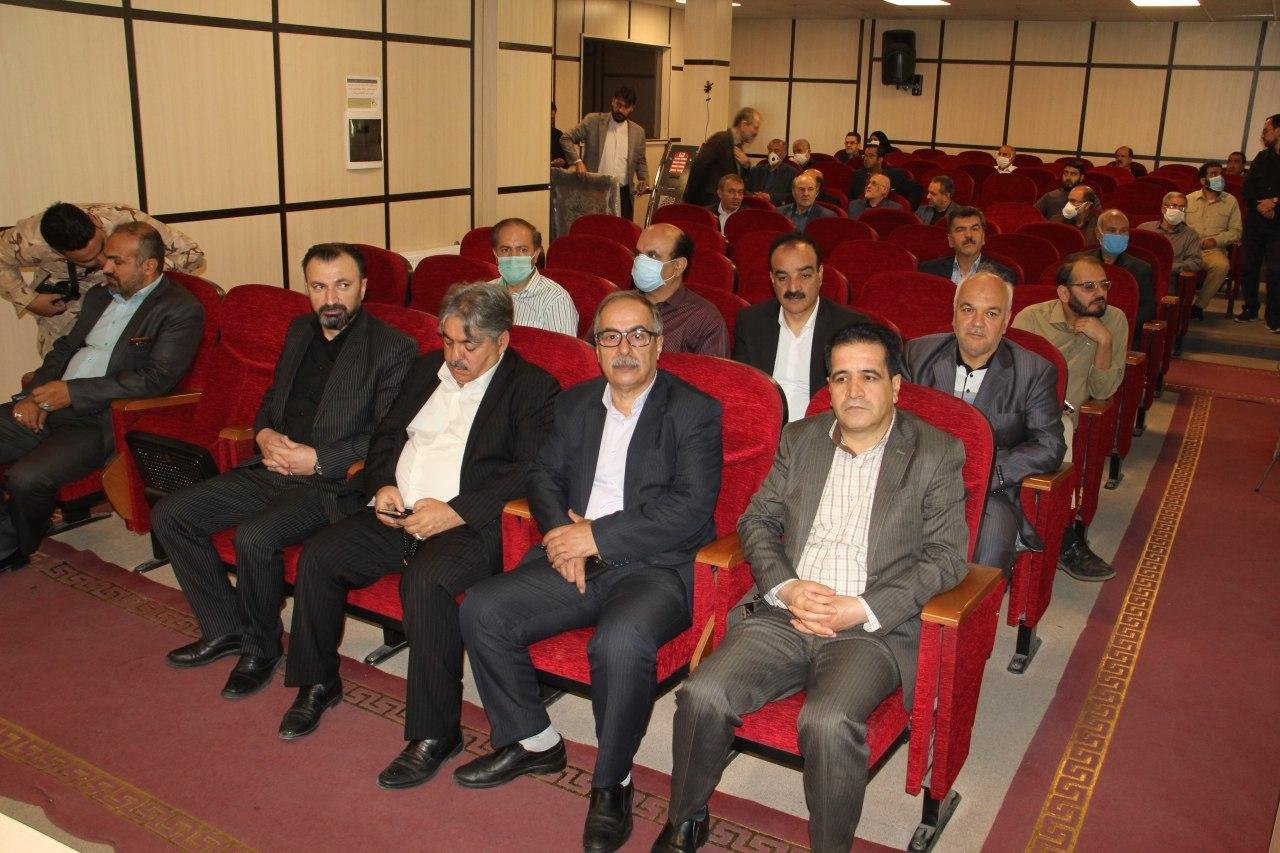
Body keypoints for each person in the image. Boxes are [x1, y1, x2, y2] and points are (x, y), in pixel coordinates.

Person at [652, 321, 968, 853]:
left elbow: (947, 557)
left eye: (869, 377)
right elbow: (756, 520)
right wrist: (786, 586)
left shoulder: (935, 452)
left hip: (870, 628)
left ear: (896, 386)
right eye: (841, 378)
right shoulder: (801, 439)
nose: (854, 391)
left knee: (827, 720)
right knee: (702, 693)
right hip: (785, 612)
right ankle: (686, 818)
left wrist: (861, 607)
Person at [455, 290, 723, 853]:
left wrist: (596, 536)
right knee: (483, 608)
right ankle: (532, 739)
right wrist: (562, 537)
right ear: (595, 346)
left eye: (637, 335)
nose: (624, 348)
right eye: (610, 336)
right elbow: (543, 475)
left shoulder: (693, 410)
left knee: (619, 643)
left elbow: (690, 509)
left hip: (656, 568)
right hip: (574, 556)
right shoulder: (575, 403)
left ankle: (612, 783)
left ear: (658, 344)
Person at [279, 283, 559, 789]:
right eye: (448, 341)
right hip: (398, 511)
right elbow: (386, 435)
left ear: (502, 340)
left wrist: (455, 512)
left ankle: (436, 733)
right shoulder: (424, 369)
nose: (455, 356)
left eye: (469, 344)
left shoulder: (532, 387)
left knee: (425, 583)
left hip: (469, 526)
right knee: (321, 555)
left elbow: (529, 470)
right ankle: (317, 683)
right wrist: (382, 484)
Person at [153, 243, 416, 697]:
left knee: (254, 537)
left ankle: (261, 648)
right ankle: (225, 628)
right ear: (306, 288)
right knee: (171, 515)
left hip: (329, 485)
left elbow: (388, 435)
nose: (330, 298)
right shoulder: (298, 331)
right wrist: (263, 435)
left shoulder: (392, 347)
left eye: (342, 285)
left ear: (363, 287)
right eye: (318, 286)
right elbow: (272, 398)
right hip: (271, 466)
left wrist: (318, 459)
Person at [0, 222, 204, 571]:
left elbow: (155, 379)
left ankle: (10, 546)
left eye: (116, 261)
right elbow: (64, 349)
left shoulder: (179, 309)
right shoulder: (99, 296)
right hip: (52, 400)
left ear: (148, 266)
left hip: (101, 419)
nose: (104, 267)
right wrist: (33, 396)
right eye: (106, 258)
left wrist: (72, 393)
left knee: (26, 478)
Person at [905, 273, 1066, 573]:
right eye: (968, 309)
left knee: (988, 548)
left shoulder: (1033, 372)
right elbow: (893, 423)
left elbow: (1049, 445)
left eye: (991, 313)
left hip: (990, 492)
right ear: (954, 315)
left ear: (1006, 321)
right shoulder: (916, 355)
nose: (977, 322)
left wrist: (983, 472)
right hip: (915, 483)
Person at [1012, 256, 1127, 582]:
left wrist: (1104, 342)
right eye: (1088, 286)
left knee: (1060, 428)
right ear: (1064, 293)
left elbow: (1103, 391)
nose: (1100, 293)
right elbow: (1011, 377)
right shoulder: (1032, 318)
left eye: (1103, 284)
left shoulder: (1114, 320)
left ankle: (1064, 537)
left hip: (1062, 418)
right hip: (1021, 409)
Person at [0, 202, 205, 355]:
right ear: (57, 252)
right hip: (66, 313)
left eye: (102, 248)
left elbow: (191, 255)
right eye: (88, 260)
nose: (103, 262)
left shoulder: (124, 220)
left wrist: (138, 274)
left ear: (95, 222)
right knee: (61, 368)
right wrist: (29, 299)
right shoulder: (31, 241)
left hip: (126, 303)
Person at [733, 233, 867, 422]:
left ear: (820, 275)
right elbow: (741, 389)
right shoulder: (751, 322)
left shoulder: (850, 328)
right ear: (772, 279)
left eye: (804, 276)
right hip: (762, 426)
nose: (793, 288)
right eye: (782, 278)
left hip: (820, 430)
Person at [631, 223, 728, 356]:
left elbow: (712, 369)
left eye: (652, 255)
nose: (640, 262)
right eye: (638, 253)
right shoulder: (618, 305)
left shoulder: (704, 319)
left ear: (678, 266)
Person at [561, 86, 651, 221]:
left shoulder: (638, 132)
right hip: (595, 190)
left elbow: (640, 159)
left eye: (626, 107)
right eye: (618, 104)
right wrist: (577, 162)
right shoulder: (593, 121)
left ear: (632, 108)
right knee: (595, 228)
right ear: (613, 101)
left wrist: (643, 179)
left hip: (623, 193)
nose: (620, 110)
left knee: (622, 230)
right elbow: (566, 138)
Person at [486, 217, 577, 335]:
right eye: (505, 250)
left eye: (523, 250)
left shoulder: (556, 299)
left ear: (536, 254)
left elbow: (563, 347)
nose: (513, 257)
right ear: (495, 254)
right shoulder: (485, 294)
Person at [1073, 209, 1155, 329]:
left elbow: (1147, 310)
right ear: (1098, 233)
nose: (1118, 235)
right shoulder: (1079, 262)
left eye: (1123, 231)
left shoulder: (1140, 269)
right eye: (1112, 231)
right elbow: (1070, 299)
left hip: (1120, 328)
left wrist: (1115, 324)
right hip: (1082, 325)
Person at [1184, 161, 1242, 319]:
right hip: (1188, 249)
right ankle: (1179, 304)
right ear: (1203, 180)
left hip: (1213, 250)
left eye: (1220, 174)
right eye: (1214, 174)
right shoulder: (1188, 199)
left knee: (1222, 266)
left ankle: (1198, 306)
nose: (1219, 177)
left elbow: (1236, 232)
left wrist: (1216, 241)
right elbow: (1178, 226)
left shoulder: (1231, 201)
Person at [1237, 113, 1280, 328]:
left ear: (1279, 130)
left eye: (1266, 130)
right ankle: (1250, 308)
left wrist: (1275, 203)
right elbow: (1248, 188)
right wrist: (1261, 206)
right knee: (1248, 266)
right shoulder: (1262, 157)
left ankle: (1274, 317)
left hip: (1278, 224)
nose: (1263, 134)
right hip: (1255, 220)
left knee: (1276, 271)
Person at [684, 107, 761, 207]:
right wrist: (690, 203)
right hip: (711, 204)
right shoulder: (720, 140)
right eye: (755, 127)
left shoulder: (739, 146)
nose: (756, 132)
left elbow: (738, 181)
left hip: (727, 206)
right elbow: (698, 168)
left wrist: (746, 165)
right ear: (744, 125)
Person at [918, 207, 1016, 285]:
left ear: (983, 237)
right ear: (950, 240)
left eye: (974, 229)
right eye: (960, 230)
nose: (969, 235)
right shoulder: (927, 271)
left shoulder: (1003, 276)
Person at [1138, 192, 1204, 294]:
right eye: (1173, 206)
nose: (1178, 210)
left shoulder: (1191, 235)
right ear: (1163, 209)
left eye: (1182, 208)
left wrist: (1169, 267)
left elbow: (1195, 262)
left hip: (1168, 279)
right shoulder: (1145, 228)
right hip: (1142, 274)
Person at [848, 144, 915, 207]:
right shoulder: (857, 175)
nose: (866, 159)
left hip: (886, 209)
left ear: (880, 159)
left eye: (871, 156)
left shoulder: (894, 175)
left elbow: (915, 189)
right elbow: (852, 196)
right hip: (862, 208)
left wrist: (908, 207)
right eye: (865, 155)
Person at [746, 138, 796, 205]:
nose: (772, 153)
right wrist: (753, 196)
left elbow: (793, 195)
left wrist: (770, 197)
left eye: (776, 151)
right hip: (754, 205)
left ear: (784, 154)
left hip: (776, 208)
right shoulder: (755, 170)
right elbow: (745, 189)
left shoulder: (792, 173)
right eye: (770, 150)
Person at [551, 102, 566, 167]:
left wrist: (562, 162)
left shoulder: (558, 135)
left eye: (552, 119)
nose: (550, 122)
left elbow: (566, 160)